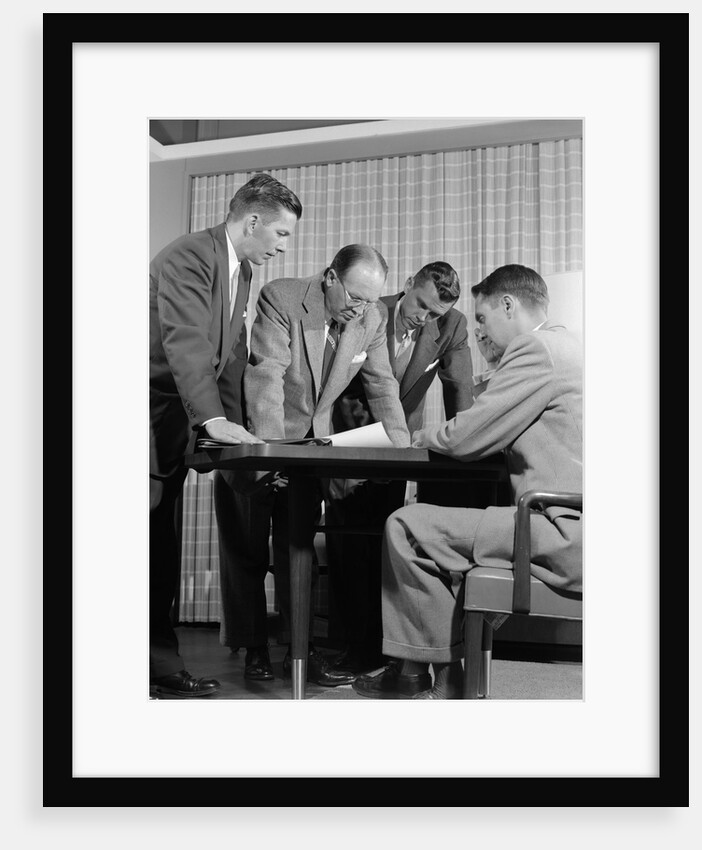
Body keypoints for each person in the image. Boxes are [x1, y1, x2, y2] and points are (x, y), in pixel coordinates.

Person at [352, 263, 583, 699]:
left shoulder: (536, 348)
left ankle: (424, 675)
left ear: (509, 305)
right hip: (572, 522)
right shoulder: (570, 346)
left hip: (564, 533)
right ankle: (427, 674)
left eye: (482, 318)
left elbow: (468, 436)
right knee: (443, 527)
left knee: (407, 525)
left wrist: (416, 436)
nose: (478, 332)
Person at [217, 244, 411, 687]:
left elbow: (382, 387)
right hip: (257, 439)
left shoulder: (372, 319)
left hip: (307, 452)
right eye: (355, 298)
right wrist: (272, 454)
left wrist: (401, 451)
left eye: (370, 300)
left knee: (296, 550)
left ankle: (297, 652)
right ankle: (254, 649)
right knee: (246, 551)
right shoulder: (282, 297)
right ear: (329, 278)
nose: (361, 309)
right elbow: (267, 376)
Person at [149, 173, 302, 697]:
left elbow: (232, 360)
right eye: (281, 236)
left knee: (158, 549)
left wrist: (242, 444)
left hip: (173, 427)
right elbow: (187, 345)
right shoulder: (190, 256)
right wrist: (213, 422)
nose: (283, 248)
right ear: (253, 221)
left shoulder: (241, 274)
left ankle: (157, 669)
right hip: (144, 416)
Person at [324, 262, 478, 675]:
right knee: (346, 544)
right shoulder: (370, 311)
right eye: (422, 306)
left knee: (382, 544)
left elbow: (460, 391)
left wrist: (465, 445)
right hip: (348, 438)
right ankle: (346, 648)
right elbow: (341, 382)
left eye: (434, 314)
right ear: (408, 285)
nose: (424, 318)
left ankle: (378, 650)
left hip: (397, 447)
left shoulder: (452, 326)